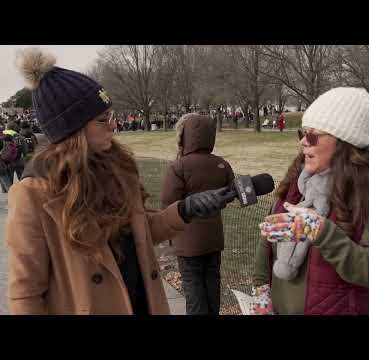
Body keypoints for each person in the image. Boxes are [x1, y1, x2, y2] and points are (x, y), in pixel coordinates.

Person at [6, 47, 231, 315]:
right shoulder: (32, 195)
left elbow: (139, 233)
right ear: (72, 129)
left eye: (111, 116)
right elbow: (25, 294)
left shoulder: (120, 170)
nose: (113, 126)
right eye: (103, 119)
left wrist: (185, 210)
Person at [253, 87, 369, 315]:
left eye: (312, 135)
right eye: (302, 133)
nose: (303, 143)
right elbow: (266, 244)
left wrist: (320, 231)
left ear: (344, 143)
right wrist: (262, 293)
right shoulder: (295, 188)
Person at [160, 113, 235, 315]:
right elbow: (228, 195)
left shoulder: (179, 166)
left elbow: (168, 201)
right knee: (212, 287)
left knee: (194, 291)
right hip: (214, 238)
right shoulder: (222, 164)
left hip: (186, 239)